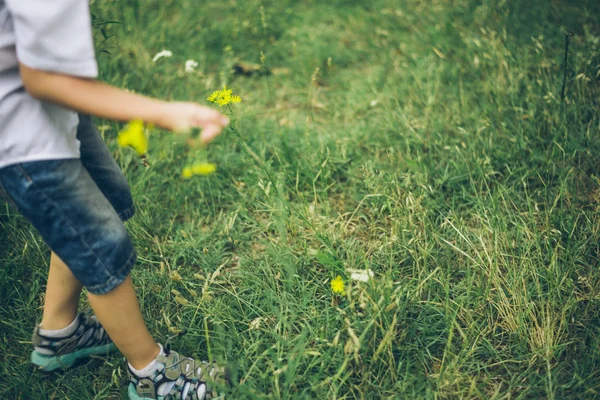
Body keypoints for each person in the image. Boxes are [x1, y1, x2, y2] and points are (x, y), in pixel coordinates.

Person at [0, 1, 230, 399]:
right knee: (97, 242)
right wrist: (160, 112)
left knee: (104, 194)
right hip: (20, 136)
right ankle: (152, 374)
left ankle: (60, 334)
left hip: (51, 114)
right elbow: (45, 78)